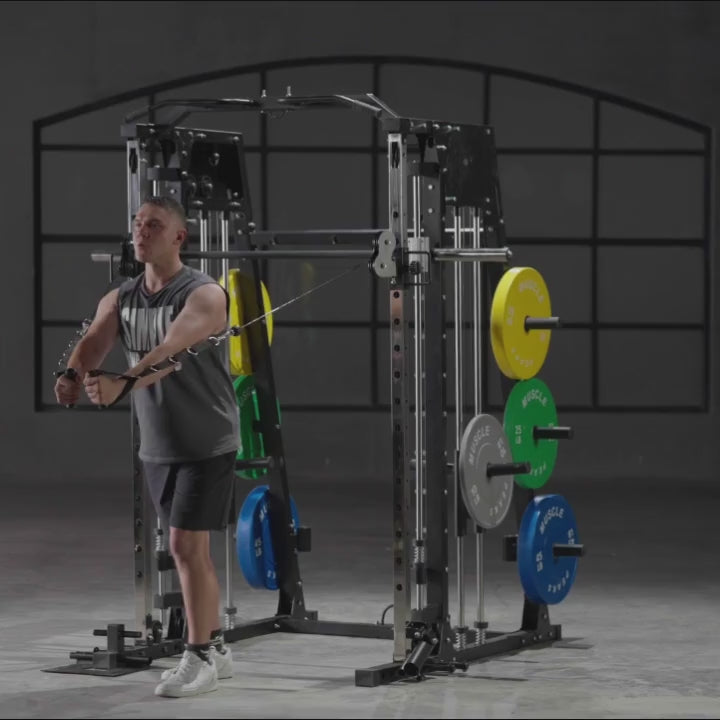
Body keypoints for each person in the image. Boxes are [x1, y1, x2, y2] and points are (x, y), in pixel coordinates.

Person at [54, 196, 239, 698]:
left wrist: (119, 383)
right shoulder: (122, 296)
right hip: (158, 444)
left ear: (178, 237)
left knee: (184, 546)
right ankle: (215, 646)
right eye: (137, 224)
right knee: (187, 551)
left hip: (207, 440)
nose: (140, 233)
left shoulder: (203, 294)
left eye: (153, 226)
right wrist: (73, 374)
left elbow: (169, 352)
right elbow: (95, 340)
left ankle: (198, 656)